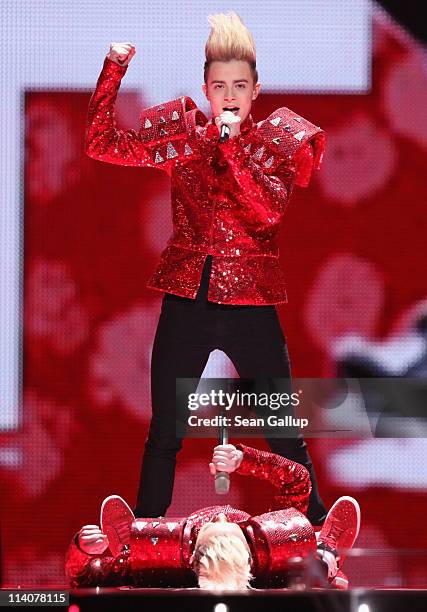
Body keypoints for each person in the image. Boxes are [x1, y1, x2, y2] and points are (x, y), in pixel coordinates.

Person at [85, 12, 327, 524]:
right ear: (206, 90)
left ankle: (318, 536)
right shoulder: (187, 138)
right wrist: (114, 68)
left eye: (240, 85)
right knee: (165, 430)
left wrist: (233, 147)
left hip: (252, 305)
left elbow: (267, 209)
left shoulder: (277, 142)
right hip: (188, 298)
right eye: (220, 86)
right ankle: (146, 533)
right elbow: (100, 143)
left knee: (283, 429)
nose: (230, 95)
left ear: (256, 90)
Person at [65, 444, 360, 590]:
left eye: (213, 529)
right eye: (229, 528)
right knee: (321, 569)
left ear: (193, 555)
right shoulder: (267, 553)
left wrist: (81, 548)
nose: (220, 519)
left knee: (132, 567)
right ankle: (328, 549)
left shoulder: (178, 559)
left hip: (166, 556)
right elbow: (298, 480)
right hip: (273, 563)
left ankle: (129, 550)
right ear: (247, 550)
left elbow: (81, 579)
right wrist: (246, 461)